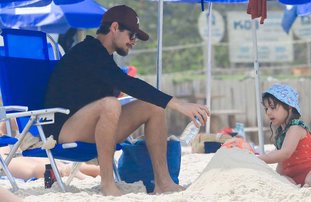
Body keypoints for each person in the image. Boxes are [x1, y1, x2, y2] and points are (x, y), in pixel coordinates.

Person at [43, 5, 210, 196]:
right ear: (114, 27)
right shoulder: (87, 51)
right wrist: (179, 105)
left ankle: (163, 181)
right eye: (132, 35)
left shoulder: (105, 59)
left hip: (90, 128)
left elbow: (118, 85)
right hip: (64, 130)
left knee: (152, 107)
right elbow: (128, 83)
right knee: (110, 104)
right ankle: (108, 184)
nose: (134, 41)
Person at [257, 84, 311, 192]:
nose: (268, 112)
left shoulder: (296, 127)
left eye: (273, 107)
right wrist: (277, 177)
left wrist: (259, 159)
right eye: (266, 108)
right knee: (281, 180)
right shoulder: (281, 133)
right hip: (293, 178)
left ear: (289, 107)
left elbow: (285, 153)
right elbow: (281, 162)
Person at [0, 120, 100, 181]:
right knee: (45, 165)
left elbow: (7, 124)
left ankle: (66, 171)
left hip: (10, 154)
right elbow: (10, 122)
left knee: (37, 167)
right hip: (16, 151)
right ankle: (68, 171)